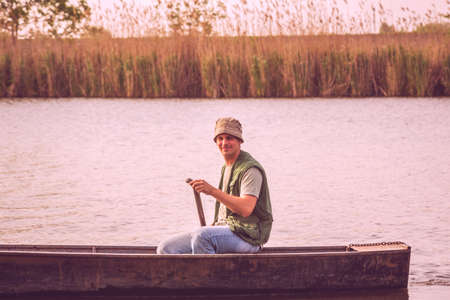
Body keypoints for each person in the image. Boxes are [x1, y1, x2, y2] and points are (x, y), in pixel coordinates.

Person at [157, 117, 273, 254]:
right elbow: (226, 212)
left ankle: (209, 275)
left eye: (229, 138)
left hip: (248, 236)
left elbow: (246, 209)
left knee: (202, 237)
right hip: (228, 230)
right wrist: (213, 225)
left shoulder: (250, 169)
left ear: (239, 141)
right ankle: (190, 275)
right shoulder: (227, 167)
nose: (224, 143)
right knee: (166, 248)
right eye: (220, 138)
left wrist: (212, 191)